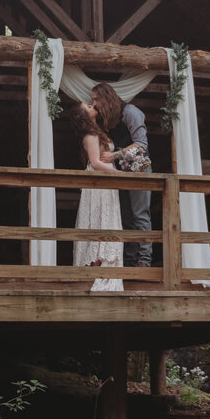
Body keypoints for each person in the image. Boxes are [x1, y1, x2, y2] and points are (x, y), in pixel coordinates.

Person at [91, 82, 153, 267]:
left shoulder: (130, 112)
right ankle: (130, 258)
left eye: (96, 99)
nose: (94, 104)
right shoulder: (109, 118)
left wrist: (115, 155)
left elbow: (141, 144)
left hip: (139, 170)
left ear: (106, 98)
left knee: (140, 214)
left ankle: (144, 260)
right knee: (125, 216)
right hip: (121, 171)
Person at [68, 101, 123, 291]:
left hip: (106, 182)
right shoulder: (90, 135)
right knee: (99, 221)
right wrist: (119, 174)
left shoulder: (97, 132)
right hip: (99, 183)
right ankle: (97, 271)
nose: (93, 106)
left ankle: (107, 270)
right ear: (84, 116)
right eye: (89, 107)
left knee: (106, 219)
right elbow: (95, 162)